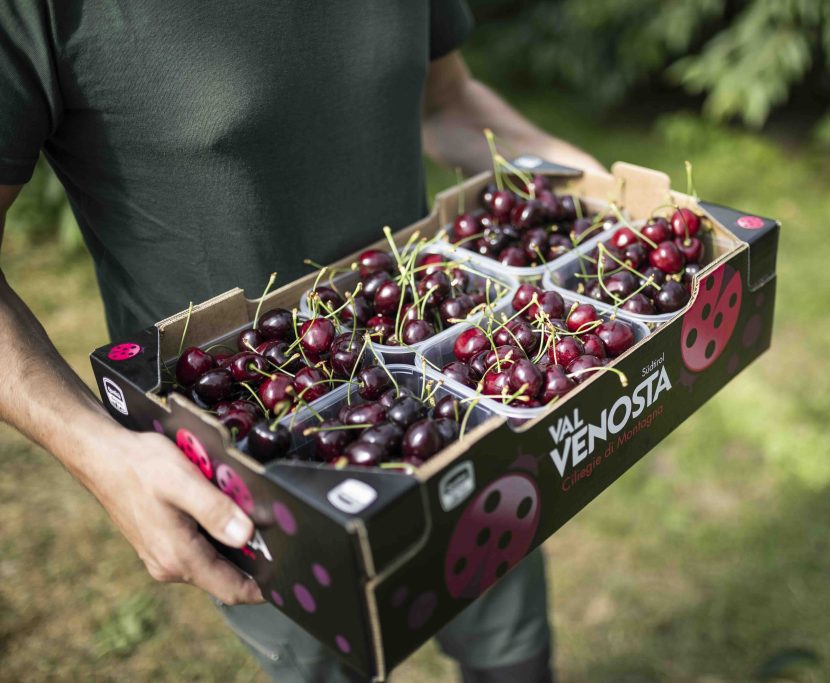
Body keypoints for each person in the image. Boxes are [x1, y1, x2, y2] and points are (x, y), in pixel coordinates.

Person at [0, 1, 602, 681]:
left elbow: (449, 100)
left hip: (458, 394)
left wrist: (603, 189)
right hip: (256, 471)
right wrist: (99, 452)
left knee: (512, 652)